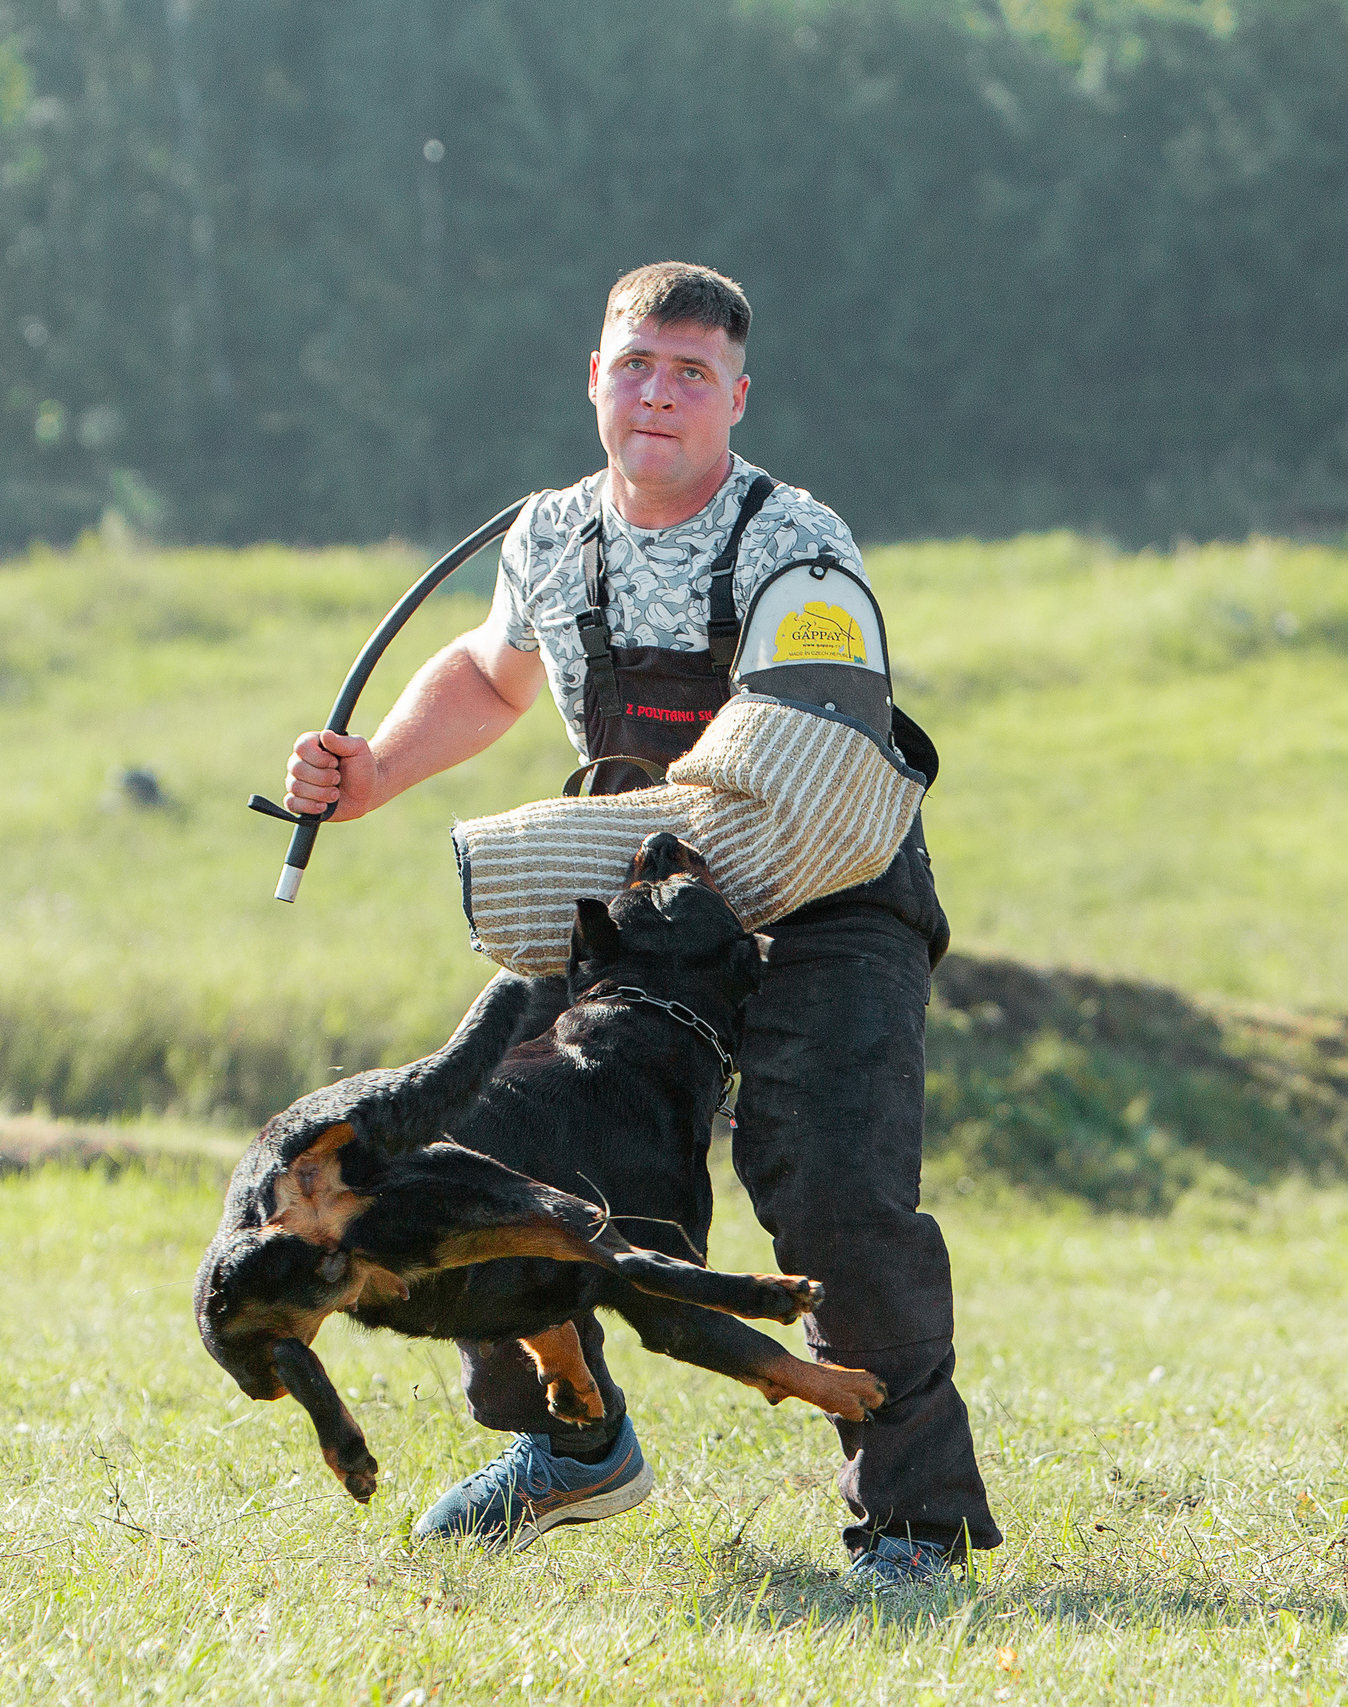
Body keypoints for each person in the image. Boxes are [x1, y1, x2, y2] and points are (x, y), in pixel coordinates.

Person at [279, 261, 999, 1586]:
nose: (658, 392)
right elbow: (495, 668)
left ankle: (913, 1529)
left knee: (839, 1201)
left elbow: (800, 777)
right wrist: (375, 769)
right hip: (641, 912)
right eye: (635, 364)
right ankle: (572, 1443)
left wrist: (575, 866)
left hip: (820, 905)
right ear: (594, 377)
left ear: (736, 395)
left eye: (689, 371)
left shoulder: (799, 546)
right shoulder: (549, 534)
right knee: (488, 1155)